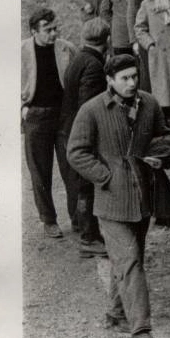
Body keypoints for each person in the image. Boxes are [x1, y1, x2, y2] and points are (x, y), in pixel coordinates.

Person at [66, 54, 168, 338]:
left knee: (126, 259)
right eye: (124, 78)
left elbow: (161, 137)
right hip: (111, 201)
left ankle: (115, 312)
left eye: (135, 76)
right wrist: (105, 175)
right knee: (130, 259)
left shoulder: (149, 103)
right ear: (110, 80)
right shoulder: (92, 109)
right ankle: (141, 330)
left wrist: (159, 155)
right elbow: (76, 152)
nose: (132, 83)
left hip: (142, 197)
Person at [21, 8, 78, 238]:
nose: (54, 34)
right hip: (36, 116)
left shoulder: (67, 48)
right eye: (48, 30)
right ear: (34, 31)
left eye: (56, 28)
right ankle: (49, 220)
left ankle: (78, 218)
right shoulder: (21, 52)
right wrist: (22, 108)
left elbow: (77, 80)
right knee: (40, 171)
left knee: (72, 167)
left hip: (64, 115)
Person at [58, 17, 111, 258]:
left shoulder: (79, 58)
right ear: (106, 39)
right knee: (88, 185)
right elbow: (88, 106)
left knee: (83, 185)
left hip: (71, 129)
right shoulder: (93, 65)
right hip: (84, 133)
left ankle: (86, 232)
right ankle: (89, 237)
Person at [133, 0, 170, 121]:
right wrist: (150, 44)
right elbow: (139, 28)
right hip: (158, 50)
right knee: (162, 86)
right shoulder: (147, 4)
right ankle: (164, 116)